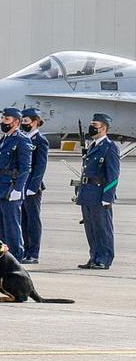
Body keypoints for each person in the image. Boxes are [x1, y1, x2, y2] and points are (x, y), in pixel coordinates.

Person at [0, 107, 31, 260]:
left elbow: (25, 167)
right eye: (3, 119)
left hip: (10, 188)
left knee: (12, 227)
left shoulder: (22, 140)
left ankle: (15, 258)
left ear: (16, 122)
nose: (3, 122)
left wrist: (18, 188)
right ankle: (3, 256)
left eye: (7, 119)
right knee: (0, 227)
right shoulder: (2, 140)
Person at [78, 113, 118, 269]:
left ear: (104, 128)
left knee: (102, 229)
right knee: (91, 228)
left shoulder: (109, 147)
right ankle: (94, 257)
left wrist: (108, 196)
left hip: (100, 193)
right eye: (92, 124)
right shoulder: (93, 146)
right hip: (88, 193)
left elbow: (113, 175)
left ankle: (104, 259)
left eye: (95, 125)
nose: (92, 128)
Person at [20, 107, 49, 264]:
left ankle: (33, 252)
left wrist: (33, 186)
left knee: (32, 219)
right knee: (23, 219)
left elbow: (40, 166)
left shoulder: (40, 140)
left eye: (26, 121)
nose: (23, 124)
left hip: (32, 186)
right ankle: (25, 249)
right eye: (22, 121)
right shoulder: (23, 138)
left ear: (35, 121)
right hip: (21, 185)